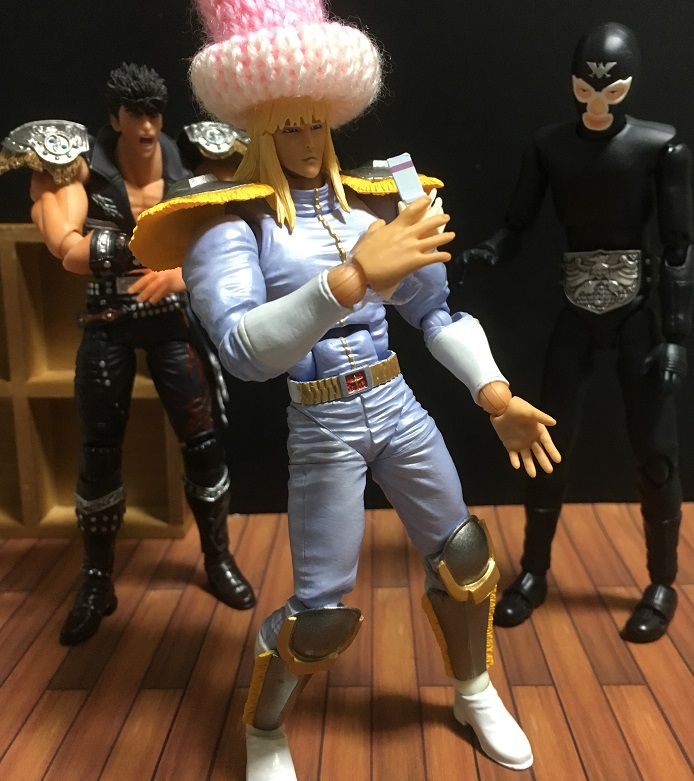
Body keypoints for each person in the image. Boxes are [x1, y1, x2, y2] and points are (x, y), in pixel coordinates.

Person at [132, 2, 561, 777]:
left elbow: (435, 312)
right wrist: (353, 277)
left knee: (466, 559)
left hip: (398, 404)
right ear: (259, 129)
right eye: (287, 128)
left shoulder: (375, 200)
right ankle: (265, 727)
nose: (305, 142)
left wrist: (494, 394)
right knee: (320, 613)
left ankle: (473, 687)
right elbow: (242, 351)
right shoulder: (232, 224)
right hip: (322, 419)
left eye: (315, 124)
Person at [3, 62, 255, 646]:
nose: (146, 125)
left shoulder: (196, 160)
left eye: (153, 113)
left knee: (203, 441)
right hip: (108, 319)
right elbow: (64, 246)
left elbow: (239, 232)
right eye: (134, 113)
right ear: (115, 118)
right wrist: (156, 255)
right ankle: (96, 580)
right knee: (97, 452)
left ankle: (217, 558)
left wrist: (182, 274)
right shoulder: (78, 165)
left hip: (170, 320)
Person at [461, 23, 693, 643]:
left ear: (629, 84)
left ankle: (663, 581)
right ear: (572, 81)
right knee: (546, 443)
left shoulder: (659, 146)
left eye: (610, 88)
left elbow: (677, 248)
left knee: (656, 455)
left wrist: (675, 334)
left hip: (637, 314)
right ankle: (534, 571)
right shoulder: (550, 147)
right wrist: (489, 251)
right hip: (576, 310)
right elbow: (518, 223)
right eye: (585, 87)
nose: (596, 100)